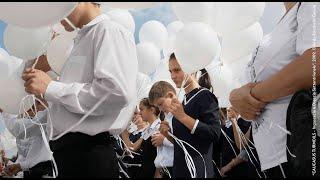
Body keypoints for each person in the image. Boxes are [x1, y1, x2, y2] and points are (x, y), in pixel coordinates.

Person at [22, 2, 138, 178]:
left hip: (89, 154)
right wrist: (50, 94)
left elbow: (116, 91)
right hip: (71, 155)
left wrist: (51, 87)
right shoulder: (81, 40)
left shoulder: (108, 30)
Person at [229, 2, 320, 178]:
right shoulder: (281, 24)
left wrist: (252, 97)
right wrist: (235, 97)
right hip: (270, 158)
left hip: (297, 152)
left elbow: (314, 64)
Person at [149, 80, 220, 178]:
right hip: (181, 170)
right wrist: (168, 135)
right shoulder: (171, 117)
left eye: (161, 104)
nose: (160, 109)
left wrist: (183, 117)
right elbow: (182, 143)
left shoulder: (195, 103)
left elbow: (213, 133)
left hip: (198, 170)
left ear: (170, 95)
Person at [132, 98, 160, 178]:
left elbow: (162, 158)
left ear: (151, 110)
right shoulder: (148, 129)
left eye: (142, 109)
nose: (139, 113)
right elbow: (133, 147)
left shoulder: (159, 128)